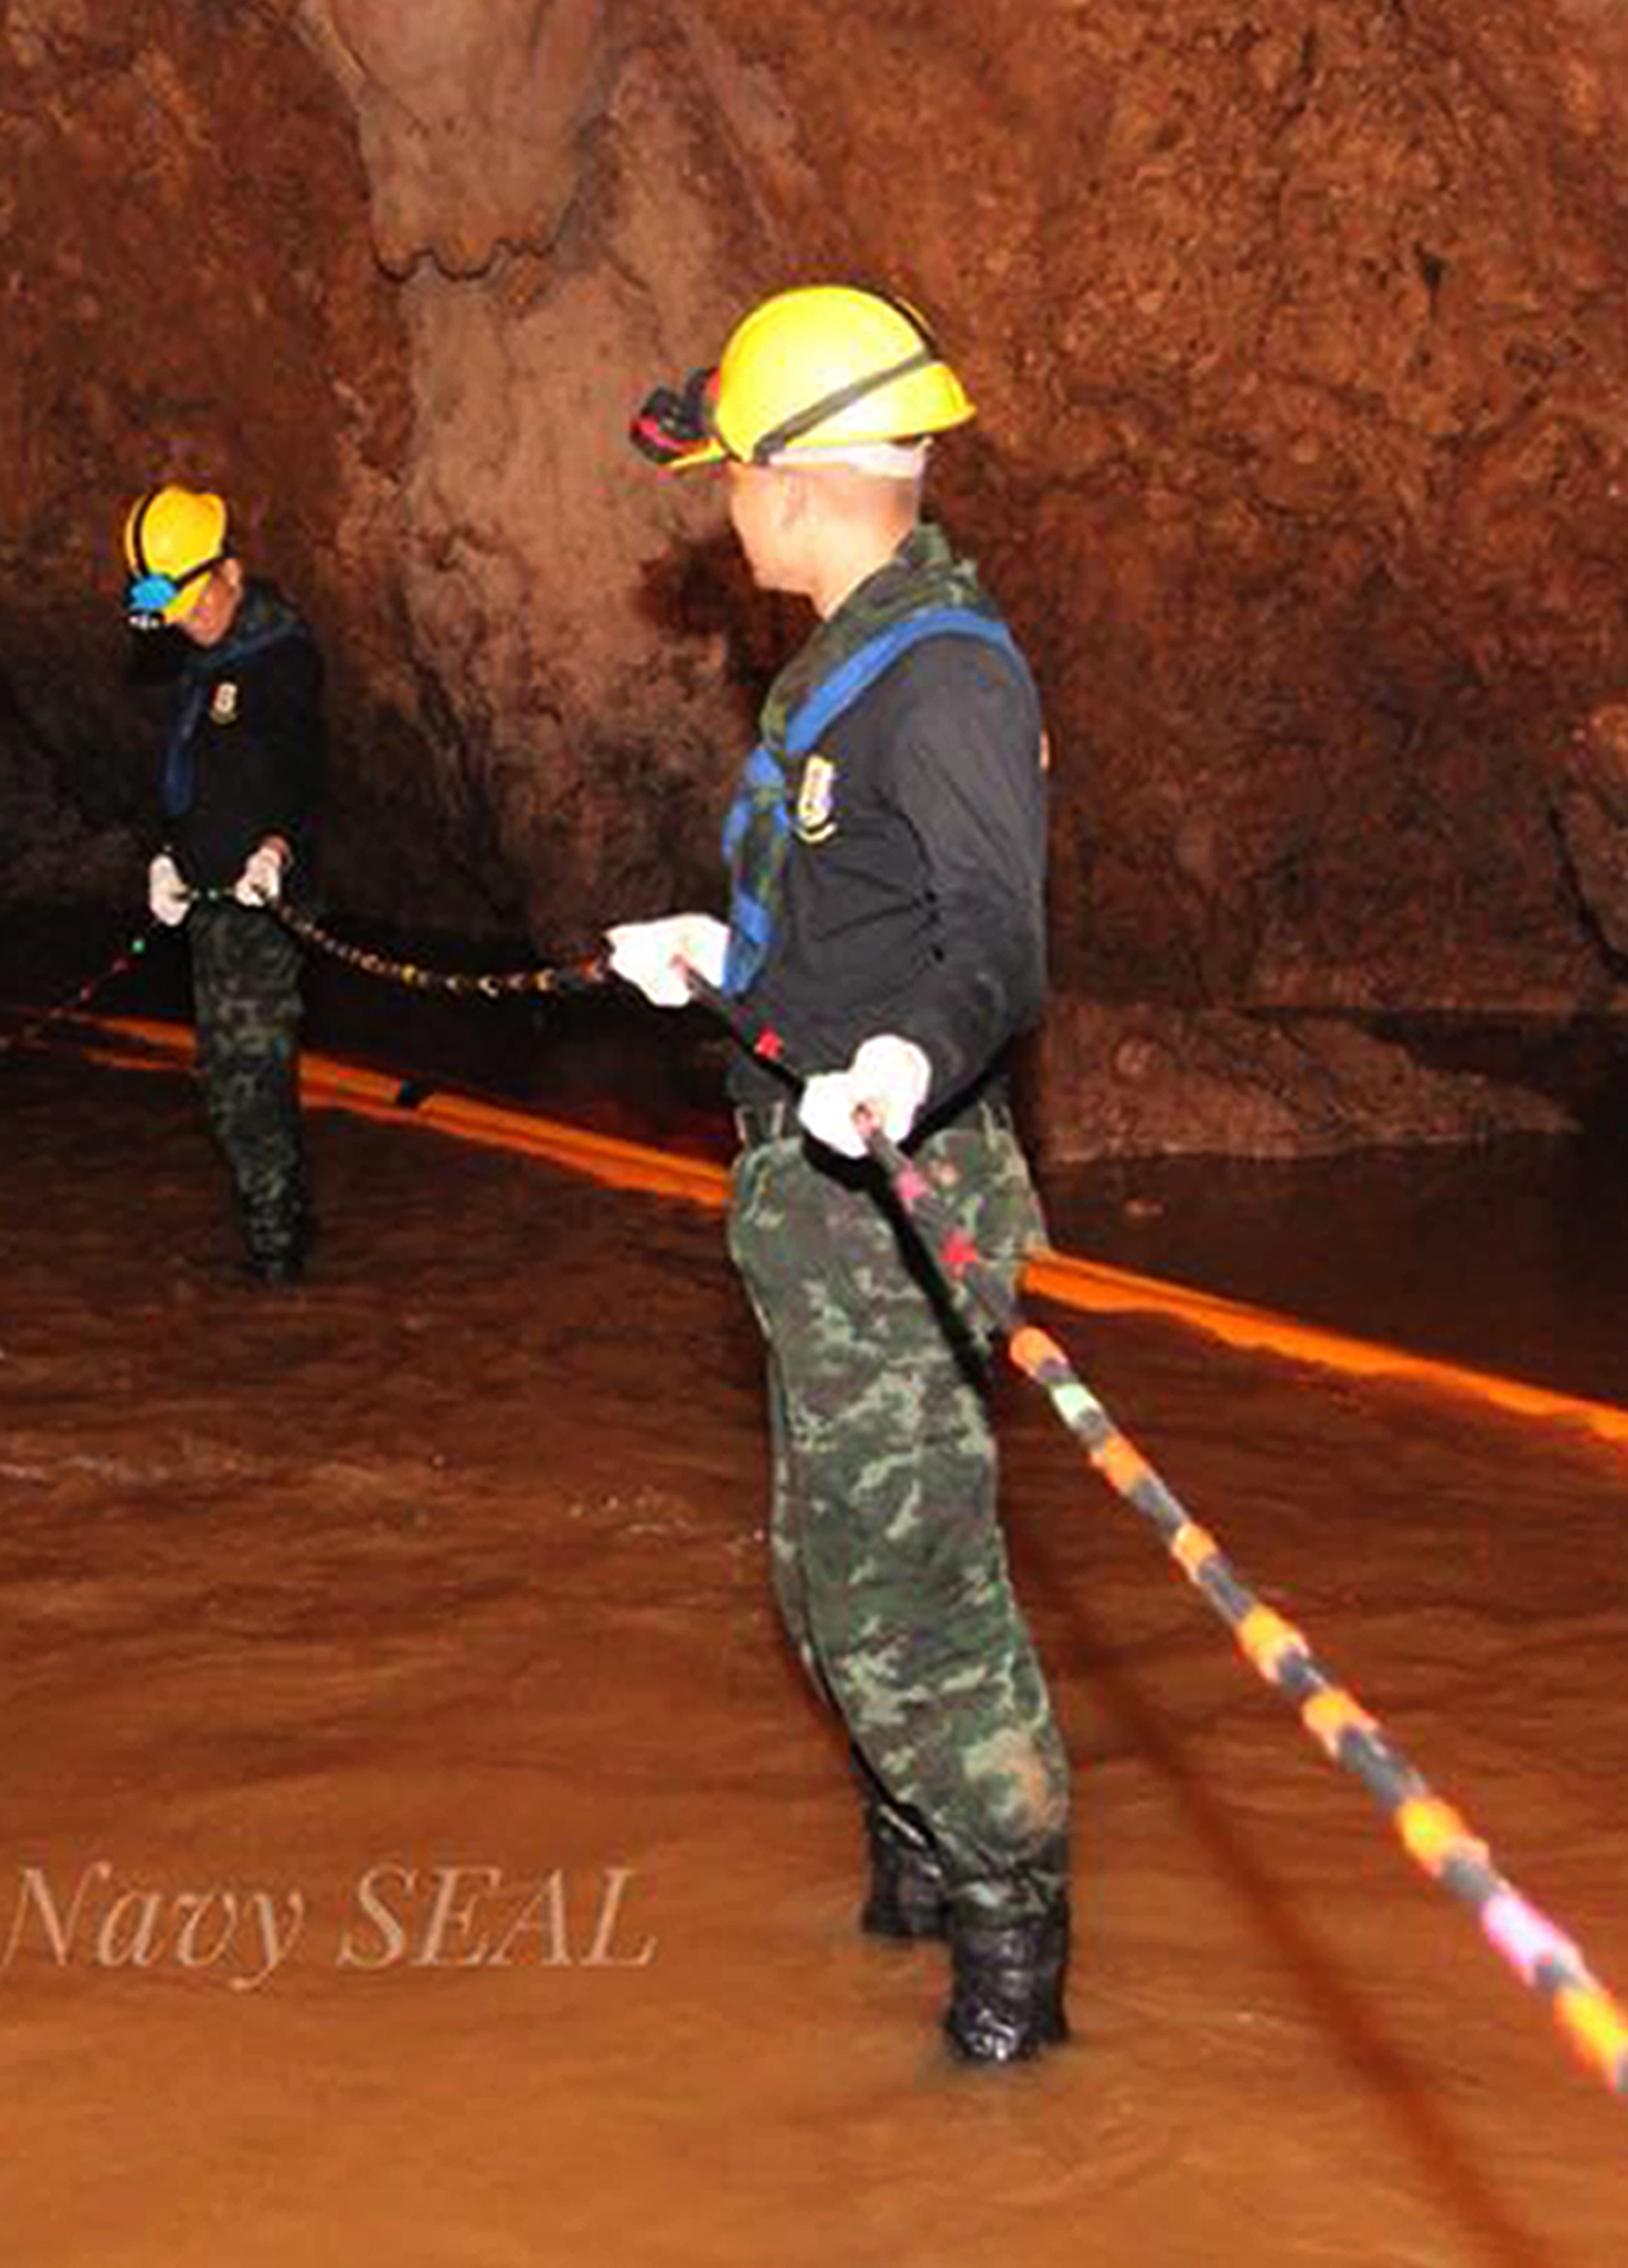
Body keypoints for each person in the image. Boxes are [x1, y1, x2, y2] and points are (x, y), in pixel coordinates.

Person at [606, 286, 1066, 2064]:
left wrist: (899, 1060)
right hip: (814, 1202)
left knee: (915, 1598)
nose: (718, 504)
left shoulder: (939, 675)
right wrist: (721, 961)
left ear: (797, 481)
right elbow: (847, 908)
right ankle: (917, 1869)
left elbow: (990, 946)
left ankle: (1011, 1959)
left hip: (903, 1200)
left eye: (729, 470)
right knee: (822, 1573)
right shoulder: (852, 652)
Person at [124, 484, 322, 1284]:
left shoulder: (281, 657)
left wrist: (276, 850)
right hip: (210, 901)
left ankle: (278, 1261)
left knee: (249, 1083)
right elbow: (198, 775)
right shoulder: (205, 666)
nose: (187, 625)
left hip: (263, 902)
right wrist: (167, 855)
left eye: (195, 604)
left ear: (232, 572)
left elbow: (305, 773)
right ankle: (279, 1226)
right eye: (172, 615)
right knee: (224, 1080)